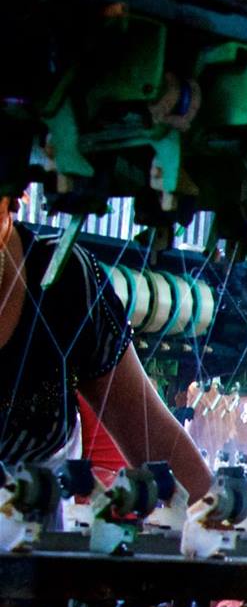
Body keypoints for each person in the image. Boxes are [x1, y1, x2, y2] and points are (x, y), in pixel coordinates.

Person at [0, 192, 211, 500]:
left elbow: (156, 442)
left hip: (35, 539)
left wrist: (218, 512)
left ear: (14, 199)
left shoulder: (67, 280)